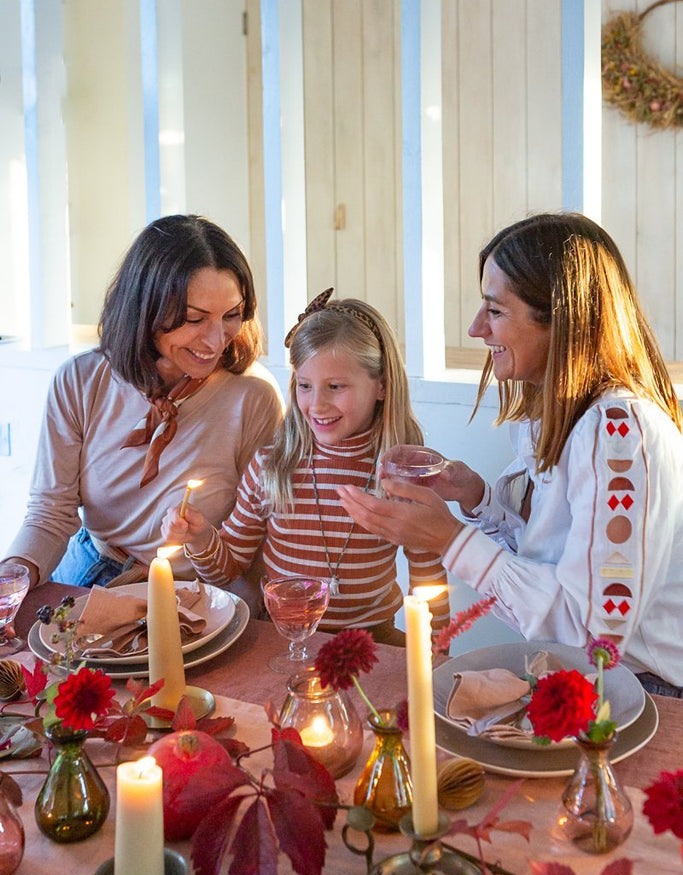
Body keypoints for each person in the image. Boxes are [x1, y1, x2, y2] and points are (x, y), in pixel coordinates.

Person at [337, 213, 683, 695]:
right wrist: (476, 498)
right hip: (579, 677)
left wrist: (449, 539)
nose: (476, 328)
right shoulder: (557, 415)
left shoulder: (620, 432)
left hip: (645, 694)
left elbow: (595, 639)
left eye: (495, 310)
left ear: (560, 320)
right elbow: (550, 563)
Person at [1, 214, 284, 593]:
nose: (216, 340)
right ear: (144, 308)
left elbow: (261, 534)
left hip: (197, 592)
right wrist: (14, 574)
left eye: (231, 315)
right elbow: (50, 514)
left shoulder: (253, 395)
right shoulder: (81, 380)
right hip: (90, 572)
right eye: (194, 319)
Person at [161, 289, 450, 645]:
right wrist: (200, 538)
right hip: (279, 638)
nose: (317, 404)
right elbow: (228, 570)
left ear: (382, 387)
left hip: (371, 642)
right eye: (305, 386)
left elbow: (428, 577)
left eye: (335, 386)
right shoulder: (271, 466)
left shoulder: (405, 477)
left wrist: (437, 650)